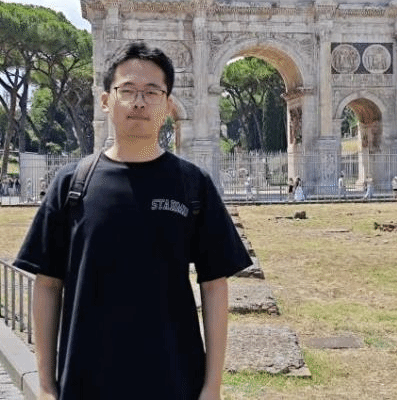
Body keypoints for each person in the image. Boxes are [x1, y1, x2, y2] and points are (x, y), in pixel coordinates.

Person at [14, 41, 252, 400]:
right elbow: (47, 284)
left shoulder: (193, 184)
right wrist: (46, 386)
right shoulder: (71, 185)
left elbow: (215, 286)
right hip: (85, 383)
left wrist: (212, 387)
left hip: (174, 381)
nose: (139, 102)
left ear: (168, 105)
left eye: (152, 92)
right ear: (105, 101)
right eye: (127, 90)